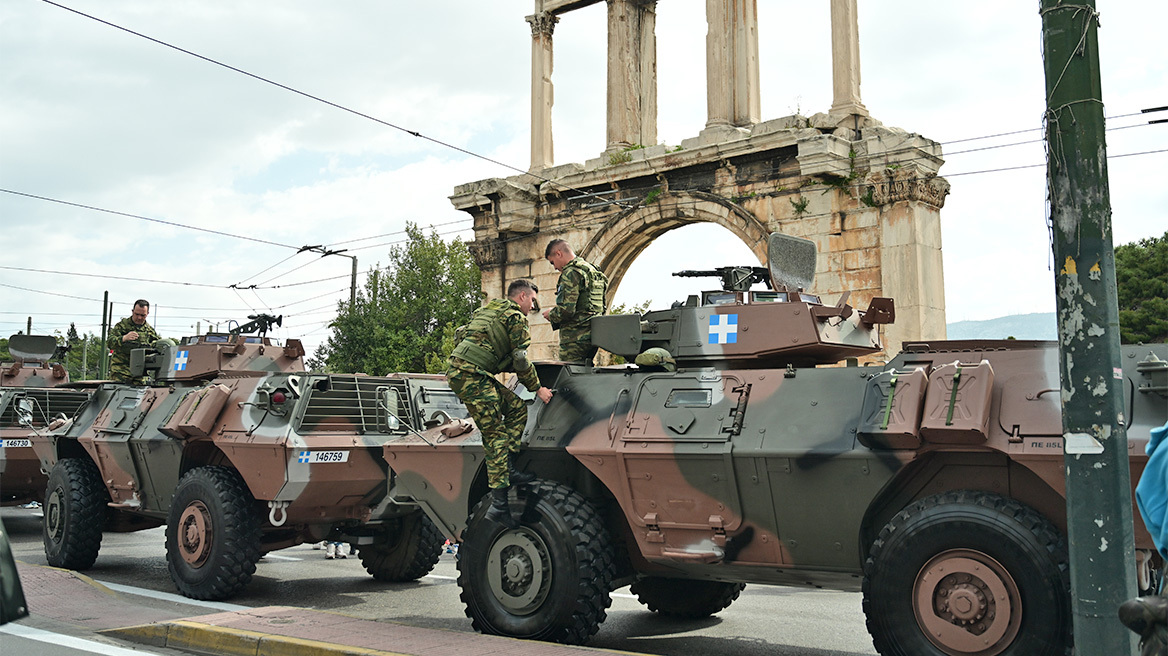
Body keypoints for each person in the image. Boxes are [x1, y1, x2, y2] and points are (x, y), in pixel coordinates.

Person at [447, 279, 554, 527]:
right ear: (523, 297)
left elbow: (460, 334)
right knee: (495, 435)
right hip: (471, 376)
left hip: (467, 372)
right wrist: (537, 388)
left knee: (516, 409)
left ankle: (508, 466)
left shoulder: (487, 310)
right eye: (533, 300)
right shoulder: (516, 317)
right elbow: (519, 358)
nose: (533, 305)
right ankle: (499, 505)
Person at [541, 239, 609, 366]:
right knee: (586, 372)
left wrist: (551, 314)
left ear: (558, 253)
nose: (555, 267)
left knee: (570, 377)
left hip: (575, 338)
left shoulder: (571, 273)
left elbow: (566, 310)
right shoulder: (592, 270)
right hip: (593, 335)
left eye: (552, 262)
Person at [107, 299, 161, 384]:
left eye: (143, 315)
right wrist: (124, 338)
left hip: (139, 373)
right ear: (132, 311)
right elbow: (110, 342)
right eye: (137, 314)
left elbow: (158, 346)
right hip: (120, 372)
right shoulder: (122, 326)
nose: (139, 318)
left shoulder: (149, 331)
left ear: (147, 314)